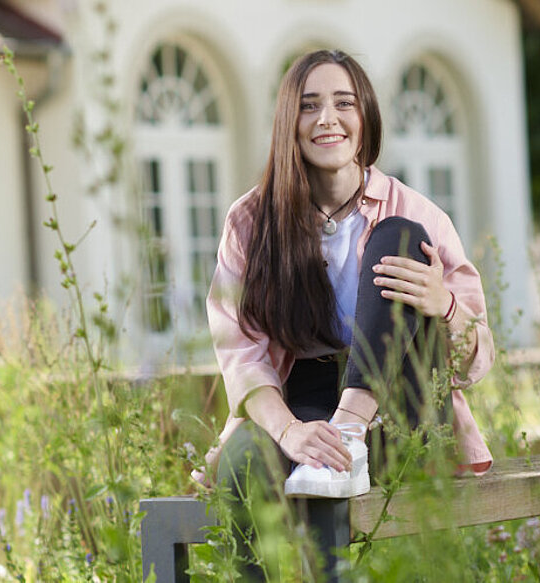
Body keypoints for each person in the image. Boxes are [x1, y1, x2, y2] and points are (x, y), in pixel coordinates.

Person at [201, 48, 494, 574]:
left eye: (344, 103)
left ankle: (350, 430)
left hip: (402, 402)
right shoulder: (251, 220)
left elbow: (476, 359)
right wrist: (289, 430)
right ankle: (337, 448)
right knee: (247, 462)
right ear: (289, 122)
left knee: (400, 239)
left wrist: (444, 306)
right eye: (309, 106)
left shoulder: (416, 212)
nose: (327, 119)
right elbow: (239, 351)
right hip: (303, 398)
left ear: (367, 117)